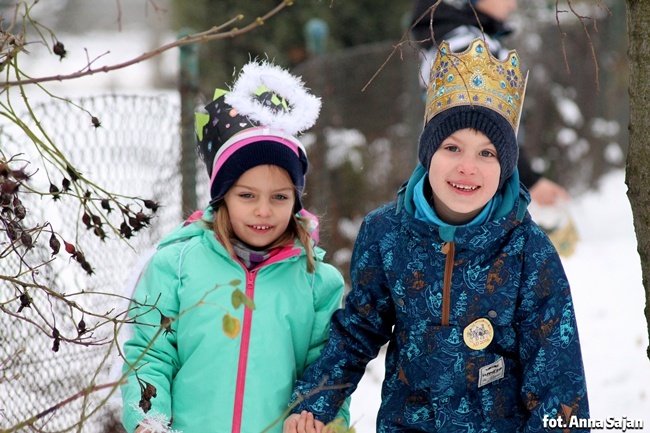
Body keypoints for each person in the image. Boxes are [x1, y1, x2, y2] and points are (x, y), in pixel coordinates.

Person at [284, 38, 589, 432]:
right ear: (428, 153)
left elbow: (557, 378)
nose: (467, 167)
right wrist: (314, 402)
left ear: (506, 167)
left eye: (487, 154)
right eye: (452, 147)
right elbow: (357, 330)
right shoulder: (385, 234)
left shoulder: (528, 251)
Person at [120, 60, 349, 433]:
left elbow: (328, 369)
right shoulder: (175, 265)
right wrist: (149, 421)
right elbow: (150, 356)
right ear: (222, 197)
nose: (263, 210)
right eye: (246, 195)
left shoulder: (317, 282)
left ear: (296, 201)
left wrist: (320, 420)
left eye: (279, 196)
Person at [411, 0, 570, 207]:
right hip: (475, 192)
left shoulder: (454, 36)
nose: (513, 5)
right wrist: (529, 180)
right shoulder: (470, 45)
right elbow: (481, 128)